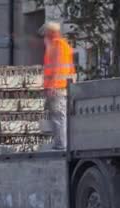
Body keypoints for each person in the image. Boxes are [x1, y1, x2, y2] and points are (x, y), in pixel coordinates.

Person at [41, 21, 76, 150]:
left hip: (57, 87)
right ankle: (61, 143)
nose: (44, 35)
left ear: (51, 32)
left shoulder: (57, 45)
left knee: (58, 116)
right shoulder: (63, 45)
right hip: (62, 86)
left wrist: (52, 86)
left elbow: (56, 67)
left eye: (46, 32)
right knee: (59, 116)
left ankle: (61, 144)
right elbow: (70, 69)